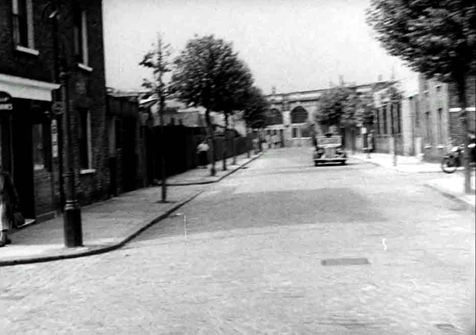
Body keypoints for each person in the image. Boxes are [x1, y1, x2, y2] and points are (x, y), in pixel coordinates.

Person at [0, 169, 21, 247]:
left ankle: (2, 239)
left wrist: (15, 200)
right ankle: (6, 238)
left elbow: (12, 188)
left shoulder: (5, 176)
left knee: (2, 219)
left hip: (4, 200)